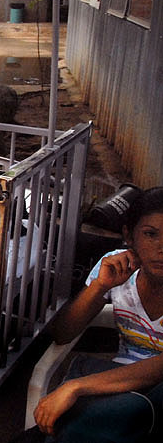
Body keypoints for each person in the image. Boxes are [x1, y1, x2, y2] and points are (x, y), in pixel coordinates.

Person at [31, 187, 163, 442]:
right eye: (150, 234)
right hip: (118, 390)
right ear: (129, 235)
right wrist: (100, 286)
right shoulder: (116, 266)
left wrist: (77, 386)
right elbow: (63, 333)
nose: (161, 248)